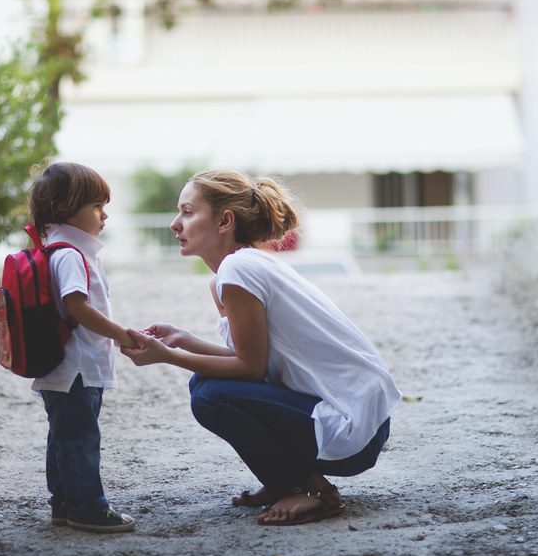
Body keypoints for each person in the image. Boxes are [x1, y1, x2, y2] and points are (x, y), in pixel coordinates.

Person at [122, 170, 401, 526]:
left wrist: (168, 356)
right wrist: (183, 340)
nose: (176, 224)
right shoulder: (239, 269)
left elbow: (250, 369)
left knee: (210, 396)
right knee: (204, 385)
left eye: (188, 212)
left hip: (353, 428)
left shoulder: (239, 270)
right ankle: (283, 480)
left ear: (224, 221)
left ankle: (311, 490)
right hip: (358, 419)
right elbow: (258, 363)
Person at [28, 162, 138, 533]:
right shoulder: (70, 255)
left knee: (65, 435)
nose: (104, 215)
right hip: (76, 366)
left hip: (67, 367)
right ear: (64, 209)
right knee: (81, 438)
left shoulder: (60, 249)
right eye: (96, 206)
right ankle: (88, 506)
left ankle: (64, 502)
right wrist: (122, 334)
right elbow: (77, 306)